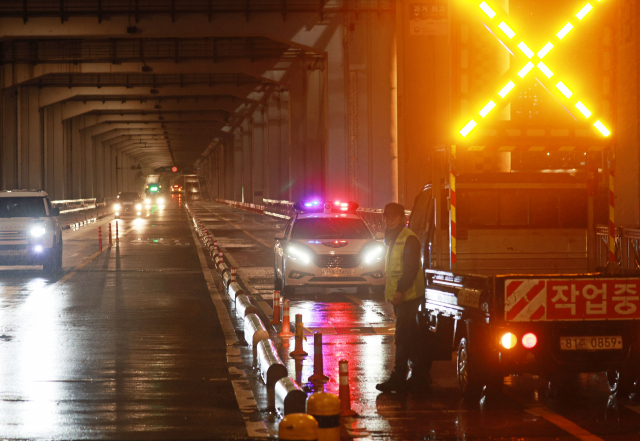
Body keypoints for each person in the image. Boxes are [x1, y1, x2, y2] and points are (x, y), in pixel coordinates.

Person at [376, 202, 430, 393]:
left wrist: (399, 290)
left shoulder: (409, 238)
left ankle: (399, 377)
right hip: (400, 297)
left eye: (394, 217)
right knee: (412, 337)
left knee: (402, 337)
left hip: (408, 296)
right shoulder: (393, 238)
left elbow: (411, 268)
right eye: (387, 217)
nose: (390, 220)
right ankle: (421, 376)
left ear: (402, 219)